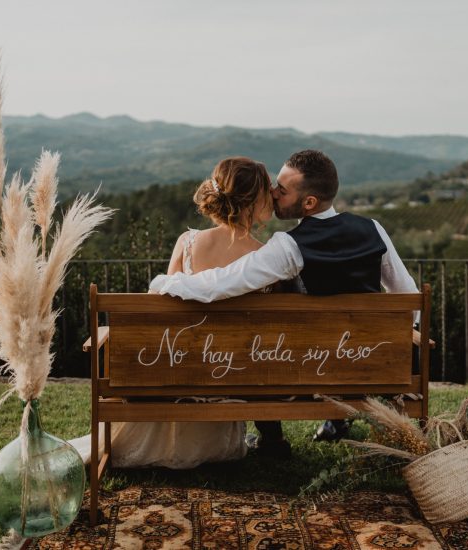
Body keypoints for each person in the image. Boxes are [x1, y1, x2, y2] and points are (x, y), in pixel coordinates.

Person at [149, 149, 419, 457]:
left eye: (282, 189)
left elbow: (222, 283)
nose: (274, 193)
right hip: (376, 363)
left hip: (315, 366)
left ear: (308, 203)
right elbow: (408, 294)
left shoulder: (288, 247)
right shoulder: (374, 228)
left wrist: (165, 284)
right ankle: (337, 419)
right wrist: (398, 342)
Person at [70, 156, 274, 468]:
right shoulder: (263, 257)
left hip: (179, 371)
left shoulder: (188, 242)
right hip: (230, 376)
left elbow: (159, 313)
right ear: (253, 200)